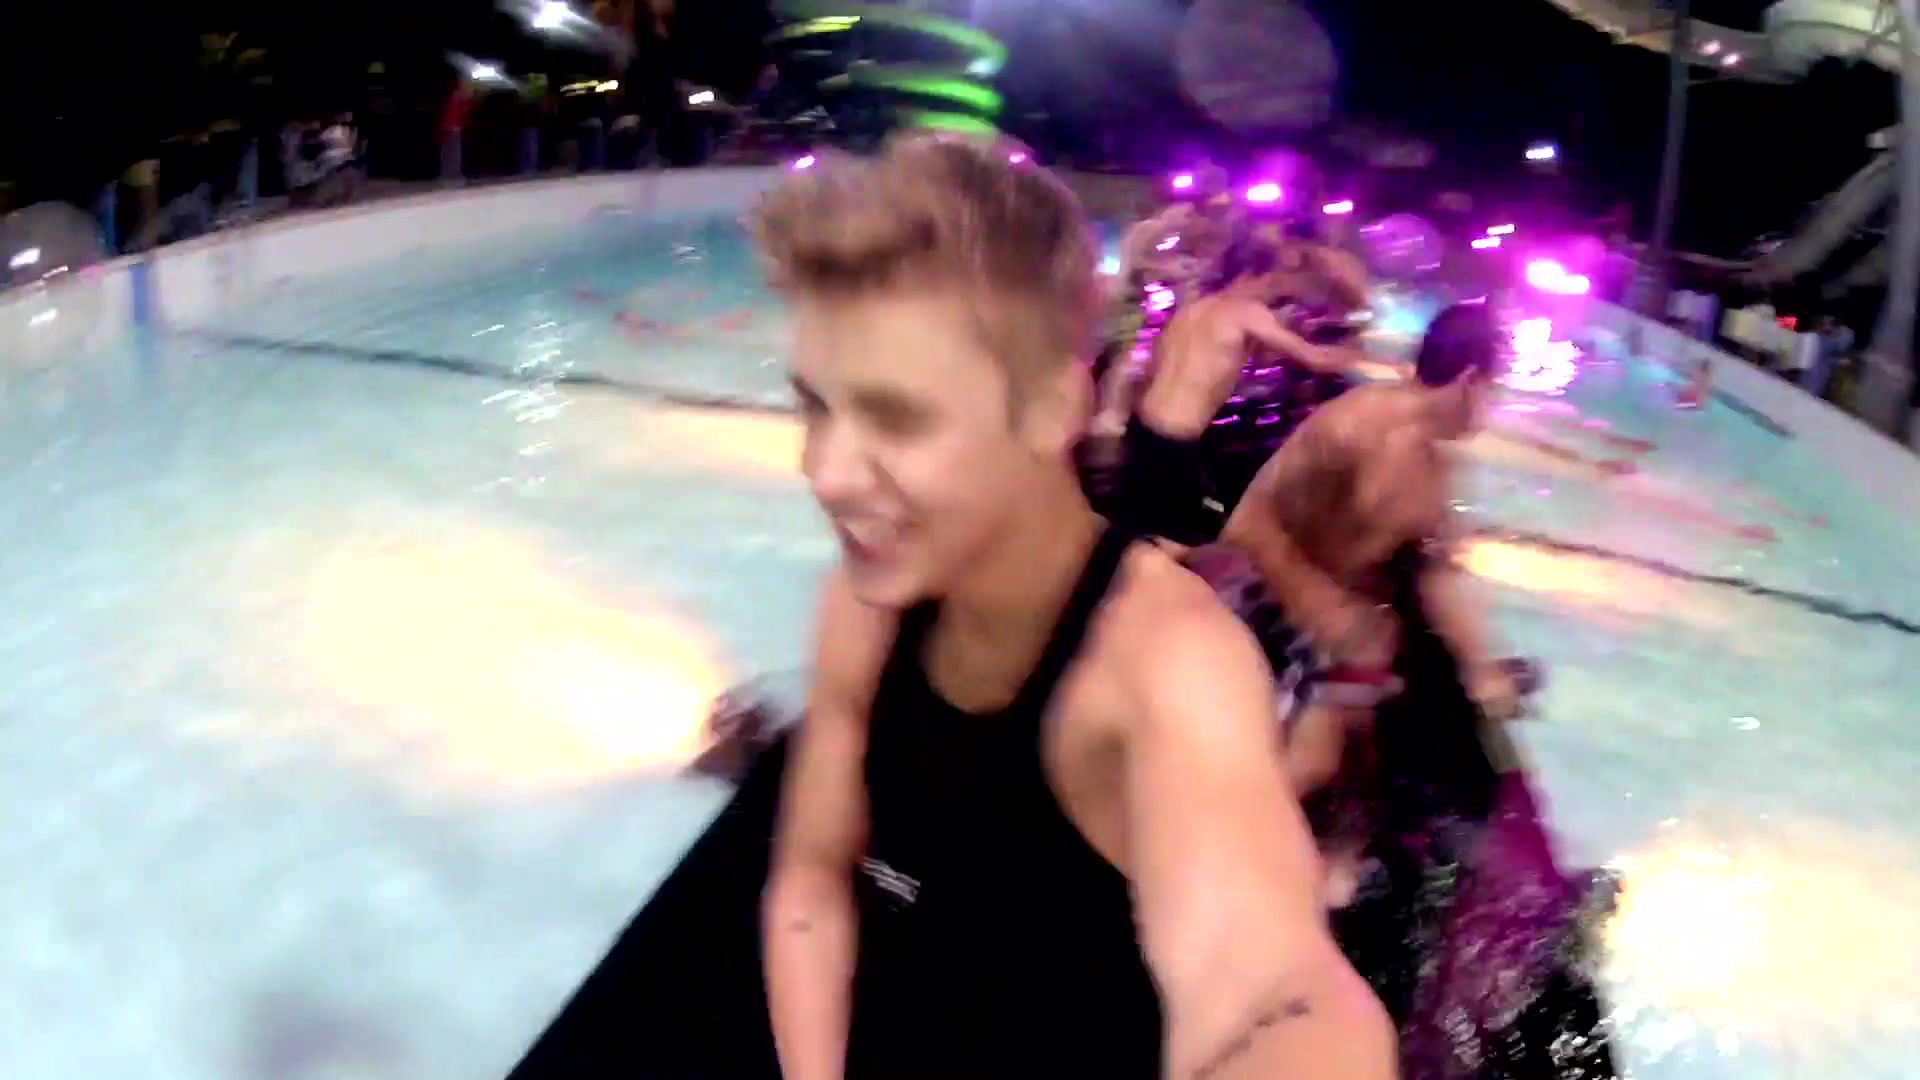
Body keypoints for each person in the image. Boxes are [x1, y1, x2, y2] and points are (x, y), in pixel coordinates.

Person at [753, 133, 1395, 1080]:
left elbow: (1270, 989)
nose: (826, 472)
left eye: (897, 417)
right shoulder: (865, 602)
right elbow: (812, 879)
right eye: (815, 406)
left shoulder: (1167, 667)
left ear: (1052, 408)